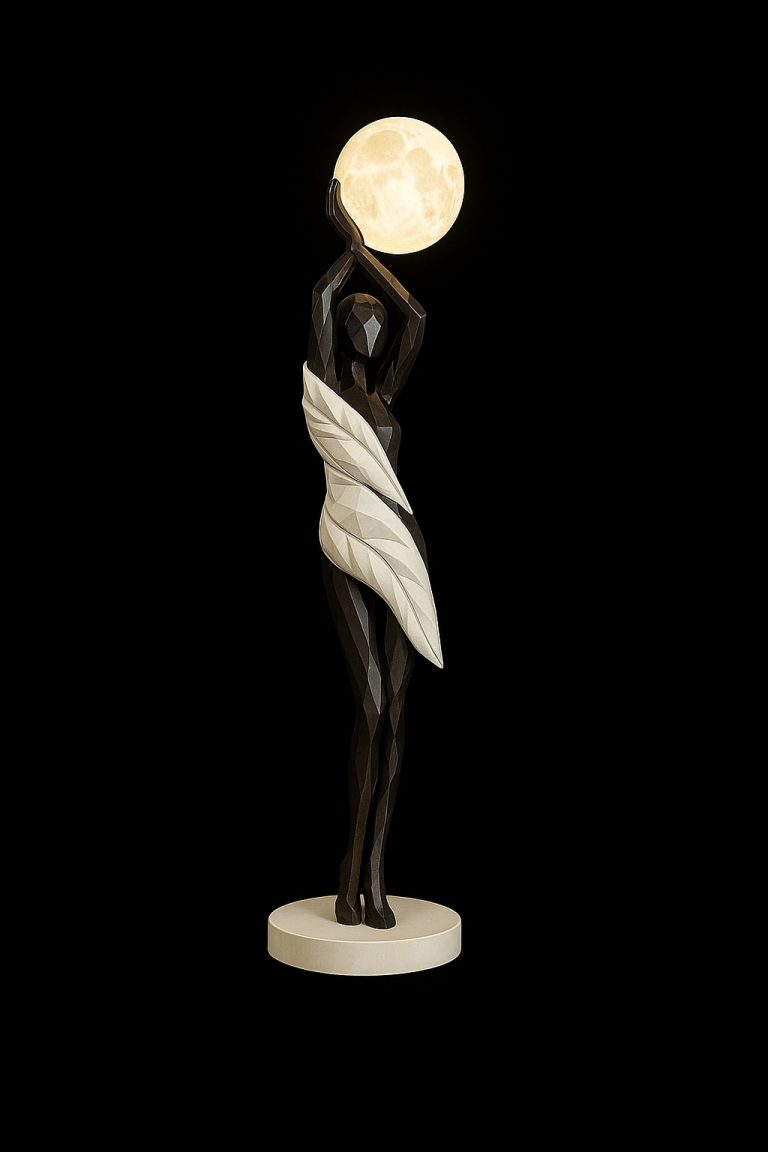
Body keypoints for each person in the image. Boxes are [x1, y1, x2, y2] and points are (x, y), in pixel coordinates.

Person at [304, 179, 441, 929]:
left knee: (397, 717)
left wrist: (369, 256)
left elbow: (417, 313)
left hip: (401, 550)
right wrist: (348, 243)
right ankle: (348, 869)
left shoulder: (387, 392)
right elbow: (321, 298)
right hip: (346, 541)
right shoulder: (327, 390)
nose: (369, 319)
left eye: (374, 316)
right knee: (370, 705)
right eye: (358, 314)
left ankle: (375, 870)